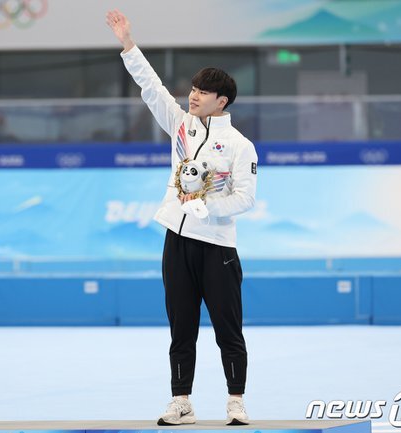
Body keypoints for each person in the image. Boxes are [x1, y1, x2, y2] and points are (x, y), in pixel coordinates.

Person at [106, 10, 258, 426]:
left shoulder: (240, 145)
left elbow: (246, 198)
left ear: (221, 101)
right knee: (181, 328)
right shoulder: (180, 126)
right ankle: (181, 401)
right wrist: (128, 44)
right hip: (177, 240)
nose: (193, 96)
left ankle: (236, 401)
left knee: (228, 329)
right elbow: (151, 87)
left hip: (218, 247)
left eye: (203, 92)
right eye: (192, 89)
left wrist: (208, 207)